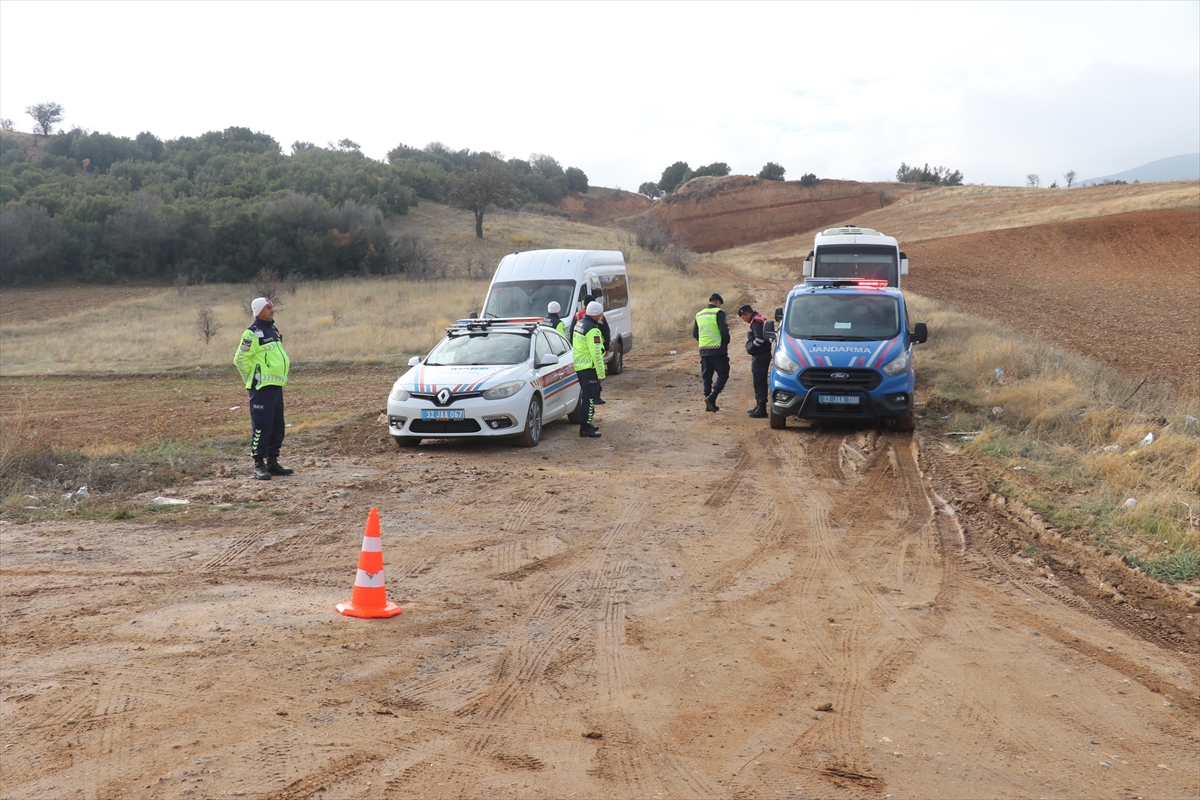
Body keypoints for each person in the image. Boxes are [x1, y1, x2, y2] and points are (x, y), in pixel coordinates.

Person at [233, 297, 293, 480]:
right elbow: (240, 359)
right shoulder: (251, 333)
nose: (272, 310)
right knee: (262, 425)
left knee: (277, 425)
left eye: (272, 306)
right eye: (268, 307)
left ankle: (273, 462)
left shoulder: (273, 330)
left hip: (276, 385)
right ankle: (258, 464)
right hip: (261, 387)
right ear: (258, 310)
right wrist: (251, 380)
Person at [572, 300, 607, 438]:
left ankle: (587, 424)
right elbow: (596, 354)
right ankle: (585, 428)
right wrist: (601, 374)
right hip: (589, 369)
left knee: (587, 398)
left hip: (581, 367)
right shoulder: (593, 329)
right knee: (590, 399)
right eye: (600, 314)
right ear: (596, 314)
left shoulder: (580, 323)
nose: (601, 316)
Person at [569, 294, 611, 404]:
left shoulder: (578, 315)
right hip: (592, 352)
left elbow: (571, 332)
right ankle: (597, 397)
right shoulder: (599, 317)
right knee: (593, 384)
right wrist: (606, 348)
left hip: (580, 356)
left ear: (584, 304)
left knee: (586, 390)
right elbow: (606, 332)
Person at [692, 292, 730, 412]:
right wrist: (725, 342)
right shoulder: (719, 312)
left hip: (703, 350)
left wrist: (704, 342)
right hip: (717, 350)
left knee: (707, 377)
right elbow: (724, 331)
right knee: (723, 374)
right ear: (718, 302)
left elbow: (695, 333)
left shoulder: (699, 314)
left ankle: (708, 404)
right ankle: (712, 397)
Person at [739, 304, 770, 418]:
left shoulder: (756, 321)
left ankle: (762, 409)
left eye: (743, 317)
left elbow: (760, 338)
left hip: (760, 356)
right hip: (763, 355)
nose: (744, 320)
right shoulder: (759, 318)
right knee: (759, 380)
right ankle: (759, 406)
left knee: (759, 381)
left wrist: (750, 348)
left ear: (747, 314)